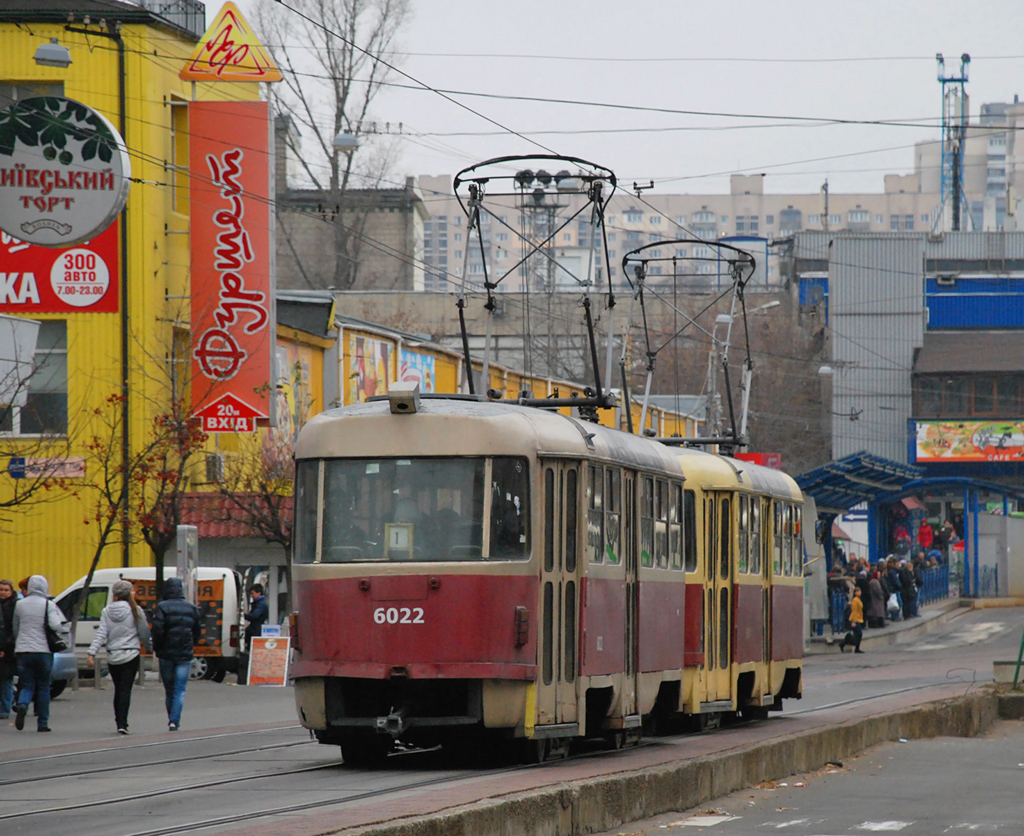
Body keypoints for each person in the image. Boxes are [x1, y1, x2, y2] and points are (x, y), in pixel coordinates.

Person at [87, 580, 153, 735]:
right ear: (129, 594)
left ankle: (119, 721)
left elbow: (101, 633)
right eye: (133, 591)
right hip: (131, 654)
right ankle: (123, 723)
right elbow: (144, 632)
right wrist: (149, 648)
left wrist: (92, 653)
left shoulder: (106, 611)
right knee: (125, 689)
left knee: (118, 689)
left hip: (113, 656)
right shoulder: (136, 610)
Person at [12, 575, 68, 732]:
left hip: (23, 650)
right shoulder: (48, 604)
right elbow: (55, 625)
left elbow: (15, 627)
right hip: (43, 650)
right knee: (44, 686)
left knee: (27, 683)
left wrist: (20, 641)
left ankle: (22, 704)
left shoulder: (20, 605)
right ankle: (42, 722)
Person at [151, 577, 201, 732]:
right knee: (180, 689)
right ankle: (174, 720)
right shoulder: (191, 608)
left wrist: (157, 648)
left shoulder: (162, 607)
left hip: (166, 653)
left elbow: (158, 630)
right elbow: (197, 631)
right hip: (184, 653)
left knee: (169, 689)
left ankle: (171, 717)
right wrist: (191, 643)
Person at [0, 579, 17, 719]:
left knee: (6, 679)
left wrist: (6, 646)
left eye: (6, 590)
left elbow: (14, 628)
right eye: (1, 590)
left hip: (9, 648)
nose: (3, 593)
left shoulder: (15, 606)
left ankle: (5, 708)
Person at [839, 587, 865, 653]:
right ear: (855, 592)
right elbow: (854, 611)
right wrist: (853, 621)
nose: (860, 592)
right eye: (858, 591)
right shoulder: (855, 600)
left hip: (859, 619)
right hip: (855, 619)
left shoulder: (858, 599)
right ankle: (854, 647)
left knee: (858, 634)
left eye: (860, 591)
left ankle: (847, 645)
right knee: (859, 634)